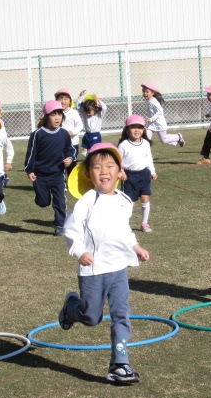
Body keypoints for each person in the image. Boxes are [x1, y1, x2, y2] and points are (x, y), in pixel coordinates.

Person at [58, 142, 150, 384]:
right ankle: (71, 307)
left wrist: (136, 247)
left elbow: (123, 232)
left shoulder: (123, 200)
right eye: (97, 167)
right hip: (93, 270)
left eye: (110, 166)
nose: (104, 171)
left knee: (121, 314)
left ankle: (120, 364)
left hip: (118, 268)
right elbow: (70, 228)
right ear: (89, 173)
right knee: (91, 317)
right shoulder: (88, 200)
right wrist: (79, 251)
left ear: (121, 172)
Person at [24, 100, 75, 236]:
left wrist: (69, 158)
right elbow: (31, 153)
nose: (57, 117)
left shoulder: (64, 134)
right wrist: (29, 170)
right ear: (47, 117)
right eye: (53, 114)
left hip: (58, 175)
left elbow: (69, 150)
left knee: (60, 200)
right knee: (43, 202)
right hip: (41, 176)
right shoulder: (37, 134)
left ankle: (60, 225)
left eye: (59, 114)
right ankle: (40, 197)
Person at [117, 114, 157, 232]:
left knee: (145, 199)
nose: (136, 130)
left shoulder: (145, 143)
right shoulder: (123, 145)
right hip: (129, 177)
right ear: (127, 129)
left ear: (143, 129)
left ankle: (144, 223)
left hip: (144, 175)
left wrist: (152, 171)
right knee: (130, 202)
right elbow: (118, 161)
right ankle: (124, 224)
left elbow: (148, 158)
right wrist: (121, 172)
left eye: (139, 127)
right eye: (133, 127)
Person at [141, 82, 185, 147]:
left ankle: (178, 137)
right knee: (146, 139)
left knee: (164, 140)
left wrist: (151, 118)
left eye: (147, 92)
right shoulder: (148, 101)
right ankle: (144, 154)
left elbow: (160, 111)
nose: (145, 94)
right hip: (151, 124)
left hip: (159, 124)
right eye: (144, 91)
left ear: (152, 93)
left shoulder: (154, 101)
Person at [54, 88, 84, 175]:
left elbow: (80, 125)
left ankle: (70, 184)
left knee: (71, 164)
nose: (63, 101)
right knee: (59, 164)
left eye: (65, 99)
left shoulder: (73, 113)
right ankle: (61, 184)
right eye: (60, 99)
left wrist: (72, 132)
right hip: (59, 144)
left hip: (72, 143)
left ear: (70, 101)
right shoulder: (55, 113)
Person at [76, 90, 107, 158]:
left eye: (89, 111)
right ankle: (86, 153)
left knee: (94, 149)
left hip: (95, 134)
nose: (87, 113)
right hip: (87, 134)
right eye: (86, 111)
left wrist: (98, 100)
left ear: (94, 109)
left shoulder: (99, 115)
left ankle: (92, 155)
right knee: (85, 145)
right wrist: (80, 97)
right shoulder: (85, 115)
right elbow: (78, 107)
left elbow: (104, 107)